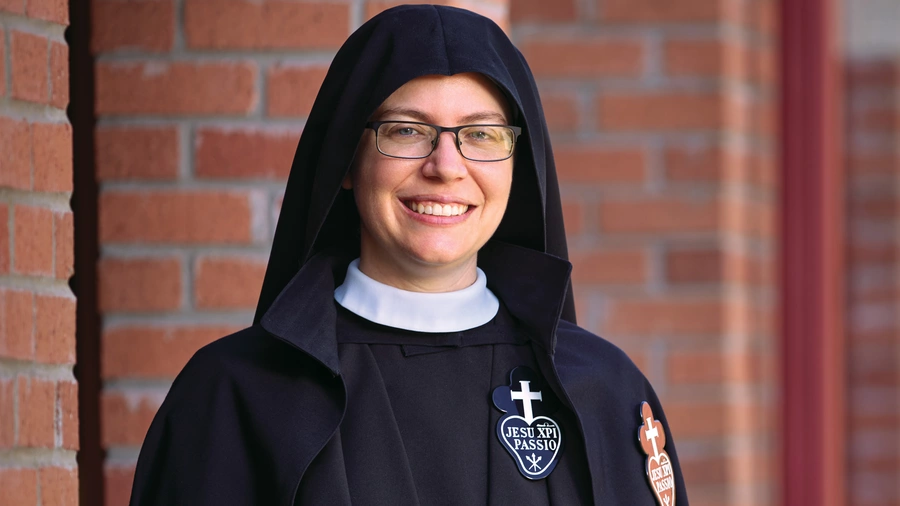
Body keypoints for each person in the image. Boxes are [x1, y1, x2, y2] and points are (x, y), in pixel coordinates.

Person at [129, 5, 688, 506]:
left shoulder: (606, 390)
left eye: (482, 135)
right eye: (406, 130)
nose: (446, 166)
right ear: (346, 163)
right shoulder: (235, 396)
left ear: (519, 166)